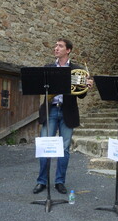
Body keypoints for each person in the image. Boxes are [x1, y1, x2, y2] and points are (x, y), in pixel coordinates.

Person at [33, 38, 93, 195]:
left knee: (65, 149)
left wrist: (87, 86)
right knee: (45, 147)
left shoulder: (77, 69)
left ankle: (60, 182)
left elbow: (81, 96)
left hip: (68, 110)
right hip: (51, 109)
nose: (56, 48)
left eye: (60, 46)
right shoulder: (48, 68)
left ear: (68, 50)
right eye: (55, 45)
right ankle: (42, 181)